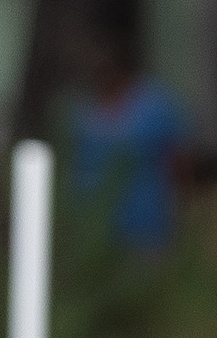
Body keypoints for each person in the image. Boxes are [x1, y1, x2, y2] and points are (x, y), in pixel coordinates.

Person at [70, 52, 189, 257]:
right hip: (94, 225)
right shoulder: (82, 109)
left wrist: (180, 204)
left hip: (146, 222)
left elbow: (179, 157)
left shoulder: (154, 105)